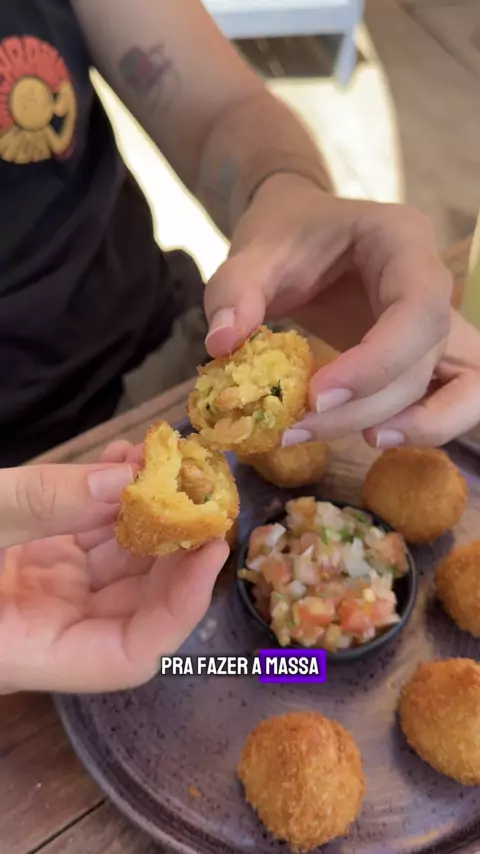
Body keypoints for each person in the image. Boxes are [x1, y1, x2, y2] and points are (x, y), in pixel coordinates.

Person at [1, 0, 479, 694]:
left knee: (247, 668)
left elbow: (220, 108)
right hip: (26, 482)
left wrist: (284, 192)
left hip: (169, 352)